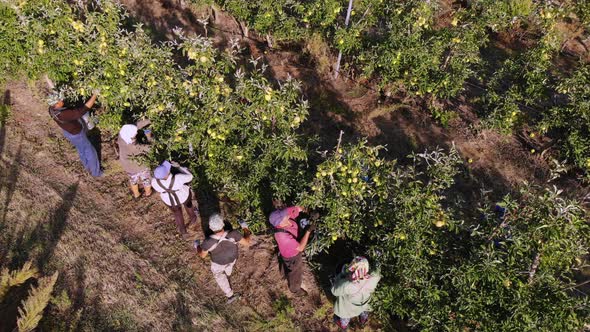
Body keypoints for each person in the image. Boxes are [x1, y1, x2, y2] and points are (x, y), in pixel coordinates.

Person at [197, 213, 251, 303]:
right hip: (232, 258)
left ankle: (230, 295)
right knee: (229, 266)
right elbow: (247, 242)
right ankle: (228, 273)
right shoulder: (233, 234)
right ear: (223, 224)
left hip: (219, 263)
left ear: (210, 227)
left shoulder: (208, 242)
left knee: (218, 275)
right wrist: (245, 228)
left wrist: (197, 246)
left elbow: (202, 255)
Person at [47, 91, 102, 177]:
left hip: (68, 132)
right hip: (77, 134)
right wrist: (95, 94)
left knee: (81, 149)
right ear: (56, 104)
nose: (62, 100)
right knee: (90, 151)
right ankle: (96, 173)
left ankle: (87, 166)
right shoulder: (64, 114)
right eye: (60, 100)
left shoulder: (51, 109)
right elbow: (84, 109)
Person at [269, 206, 315, 295]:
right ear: (280, 222)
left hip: (285, 250)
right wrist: (308, 231)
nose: (287, 215)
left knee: (285, 265)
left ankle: (283, 273)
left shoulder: (284, 218)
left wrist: (309, 212)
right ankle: (295, 289)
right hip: (292, 255)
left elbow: (296, 209)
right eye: (284, 215)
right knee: (295, 271)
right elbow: (301, 247)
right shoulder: (282, 237)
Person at [331, 256, 381, 331]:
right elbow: (377, 270)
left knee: (345, 316)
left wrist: (341, 275)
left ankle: (344, 326)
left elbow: (334, 291)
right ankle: (363, 320)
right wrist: (377, 258)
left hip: (348, 309)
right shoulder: (374, 277)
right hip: (363, 305)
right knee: (364, 310)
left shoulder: (348, 285)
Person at [151, 160, 198, 239]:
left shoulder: (154, 182)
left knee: (177, 213)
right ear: (167, 174)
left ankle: (183, 231)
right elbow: (190, 177)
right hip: (183, 195)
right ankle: (193, 218)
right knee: (188, 205)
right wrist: (180, 167)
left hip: (169, 200)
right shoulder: (178, 177)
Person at [118, 121, 153, 199]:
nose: (136, 133)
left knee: (133, 180)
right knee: (146, 179)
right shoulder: (135, 146)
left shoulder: (121, 136)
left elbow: (135, 125)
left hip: (127, 165)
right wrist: (149, 136)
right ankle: (148, 192)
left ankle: (136, 194)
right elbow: (150, 148)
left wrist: (148, 120)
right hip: (140, 166)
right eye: (135, 134)